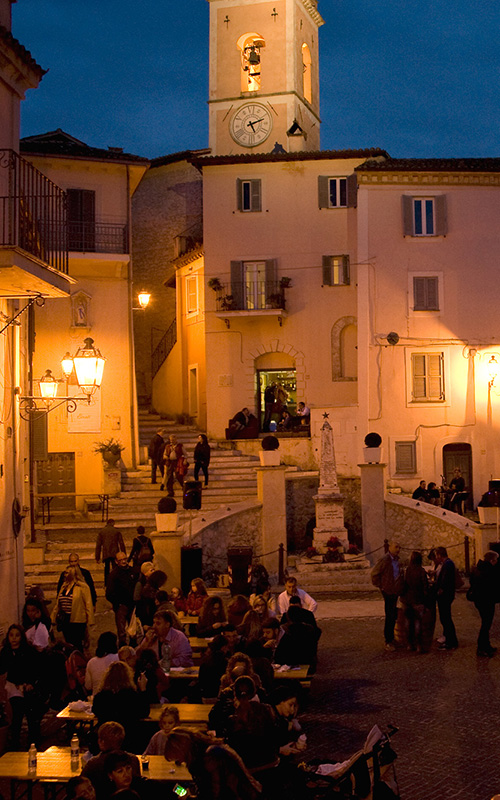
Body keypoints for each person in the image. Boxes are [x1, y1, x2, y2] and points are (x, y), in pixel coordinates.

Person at [164, 728, 262, 800]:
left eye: (177, 758)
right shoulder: (207, 751)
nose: (180, 762)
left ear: (182, 750)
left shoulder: (210, 757)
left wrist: (190, 798)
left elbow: (216, 793)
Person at [0, 624, 44, 748]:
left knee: (30, 715)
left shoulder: (28, 651)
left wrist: (30, 683)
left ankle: (33, 742)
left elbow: (35, 669)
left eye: (17, 635)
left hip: (27, 686)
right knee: (17, 713)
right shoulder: (6, 651)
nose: (14, 639)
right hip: (14, 686)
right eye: (11, 635)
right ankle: (15, 742)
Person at [92, 661, 149, 752]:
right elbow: (144, 712)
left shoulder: (101, 696)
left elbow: (95, 710)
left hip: (106, 740)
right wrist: (143, 689)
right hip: (130, 739)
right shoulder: (132, 696)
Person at [82, 721, 141, 800]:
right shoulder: (133, 760)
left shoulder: (92, 764)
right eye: (120, 771)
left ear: (101, 742)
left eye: (127, 769)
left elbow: (80, 788)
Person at [370, 541, 404, 651]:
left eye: (399, 547)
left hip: (395, 591)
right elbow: (374, 573)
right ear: (390, 547)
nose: (398, 549)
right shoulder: (385, 560)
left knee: (393, 614)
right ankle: (388, 640)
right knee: (390, 616)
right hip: (388, 591)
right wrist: (381, 586)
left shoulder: (397, 560)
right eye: (396, 547)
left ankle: (392, 638)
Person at [52, 566, 94, 651]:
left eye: (67, 573)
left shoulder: (83, 587)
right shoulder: (64, 586)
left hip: (77, 620)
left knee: (77, 644)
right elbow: (58, 603)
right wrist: (53, 617)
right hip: (65, 619)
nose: (65, 575)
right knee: (68, 643)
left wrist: (90, 620)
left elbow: (88, 604)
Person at [469, 550, 499, 657]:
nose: (496, 562)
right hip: (486, 601)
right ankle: (482, 647)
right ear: (491, 560)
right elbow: (492, 586)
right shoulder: (489, 571)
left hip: (480, 600)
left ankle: (486, 645)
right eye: (495, 560)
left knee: (486, 623)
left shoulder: (478, 568)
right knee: (486, 625)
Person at [105, 552, 136, 647]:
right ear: (116, 561)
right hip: (121, 606)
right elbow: (109, 593)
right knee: (121, 631)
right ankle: (123, 648)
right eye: (120, 560)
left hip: (132, 605)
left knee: (133, 629)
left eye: (125, 559)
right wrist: (117, 603)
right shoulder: (114, 574)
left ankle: (133, 646)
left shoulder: (132, 571)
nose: (123, 562)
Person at [400, 551, 429, 651]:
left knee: (408, 622)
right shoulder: (421, 571)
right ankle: (419, 645)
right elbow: (425, 587)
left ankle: (409, 644)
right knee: (418, 622)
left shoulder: (407, 570)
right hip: (418, 599)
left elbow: (404, 584)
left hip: (407, 600)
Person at [434, 546, 459, 650]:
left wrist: (440, 589)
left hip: (445, 596)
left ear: (440, 555)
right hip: (446, 595)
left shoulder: (447, 564)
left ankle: (451, 641)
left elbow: (445, 580)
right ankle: (449, 639)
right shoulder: (447, 563)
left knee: (446, 618)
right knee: (445, 618)